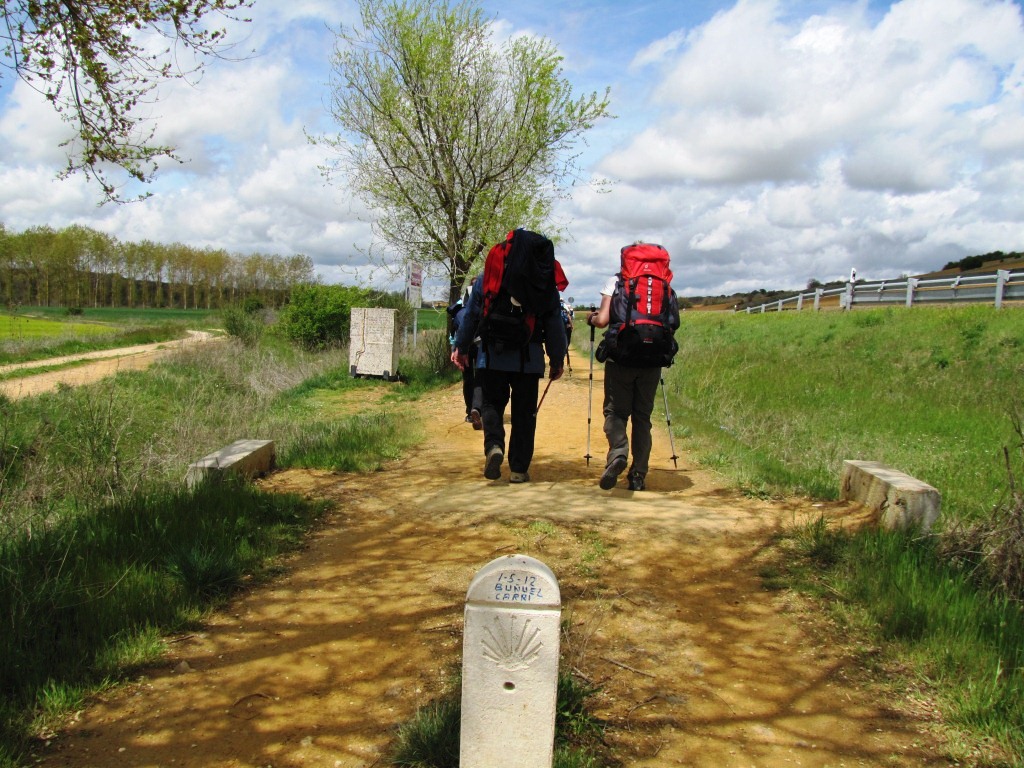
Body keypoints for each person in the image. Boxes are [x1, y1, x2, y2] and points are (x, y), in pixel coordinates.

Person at [452, 274, 566, 483]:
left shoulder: (489, 275)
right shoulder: (542, 279)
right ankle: (519, 469)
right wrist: (557, 358)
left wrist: (462, 347)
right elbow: (553, 321)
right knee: (524, 413)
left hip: (492, 355)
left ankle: (494, 446)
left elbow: (471, 315)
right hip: (529, 358)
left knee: (492, 404)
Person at [586, 278, 661, 492]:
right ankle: (638, 475)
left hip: (621, 359)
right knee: (642, 417)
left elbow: (602, 320)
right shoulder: (661, 284)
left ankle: (618, 454)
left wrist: (590, 318)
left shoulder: (616, 282)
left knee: (616, 412)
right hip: (652, 360)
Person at [448, 286, 482, 429]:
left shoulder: (459, 312)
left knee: (468, 379)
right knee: (481, 377)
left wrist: (455, 350)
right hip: (481, 346)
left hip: (464, 347)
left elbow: (454, 334)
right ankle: (478, 408)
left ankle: (470, 412)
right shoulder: (485, 309)